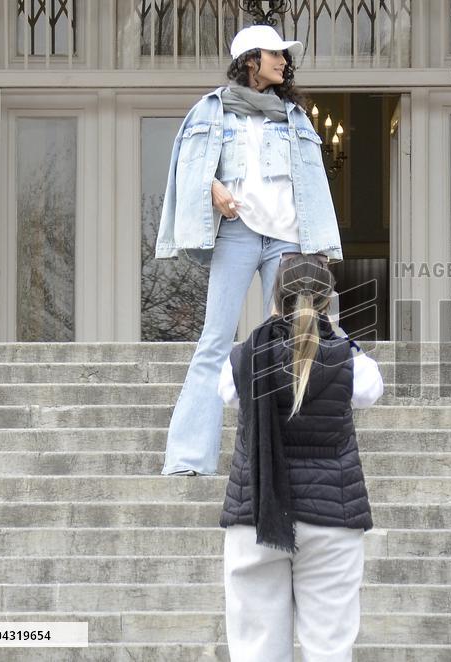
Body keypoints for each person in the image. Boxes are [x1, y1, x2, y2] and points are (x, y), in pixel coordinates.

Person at [155, 23, 343, 476]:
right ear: (249, 61)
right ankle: (187, 458)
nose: (283, 61)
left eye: (284, 55)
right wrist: (214, 187)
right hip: (238, 233)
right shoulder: (211, 110)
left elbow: (313, 188)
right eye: (273, 53)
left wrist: (316, 248)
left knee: (292, 343)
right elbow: (189, 165)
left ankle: (287, 457)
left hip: (288, 240)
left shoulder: (295, 116)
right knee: (215, 340)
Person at [218, 254, 383, 662]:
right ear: (329, 302)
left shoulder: (245, 356)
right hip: (333, 519)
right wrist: (336, 330)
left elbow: (226, 392)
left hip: (256, 514)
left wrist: (272, 324)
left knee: (255, 651)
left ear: (274, 299)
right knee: (329, 650)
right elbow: (371, 390)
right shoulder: (348, 359)